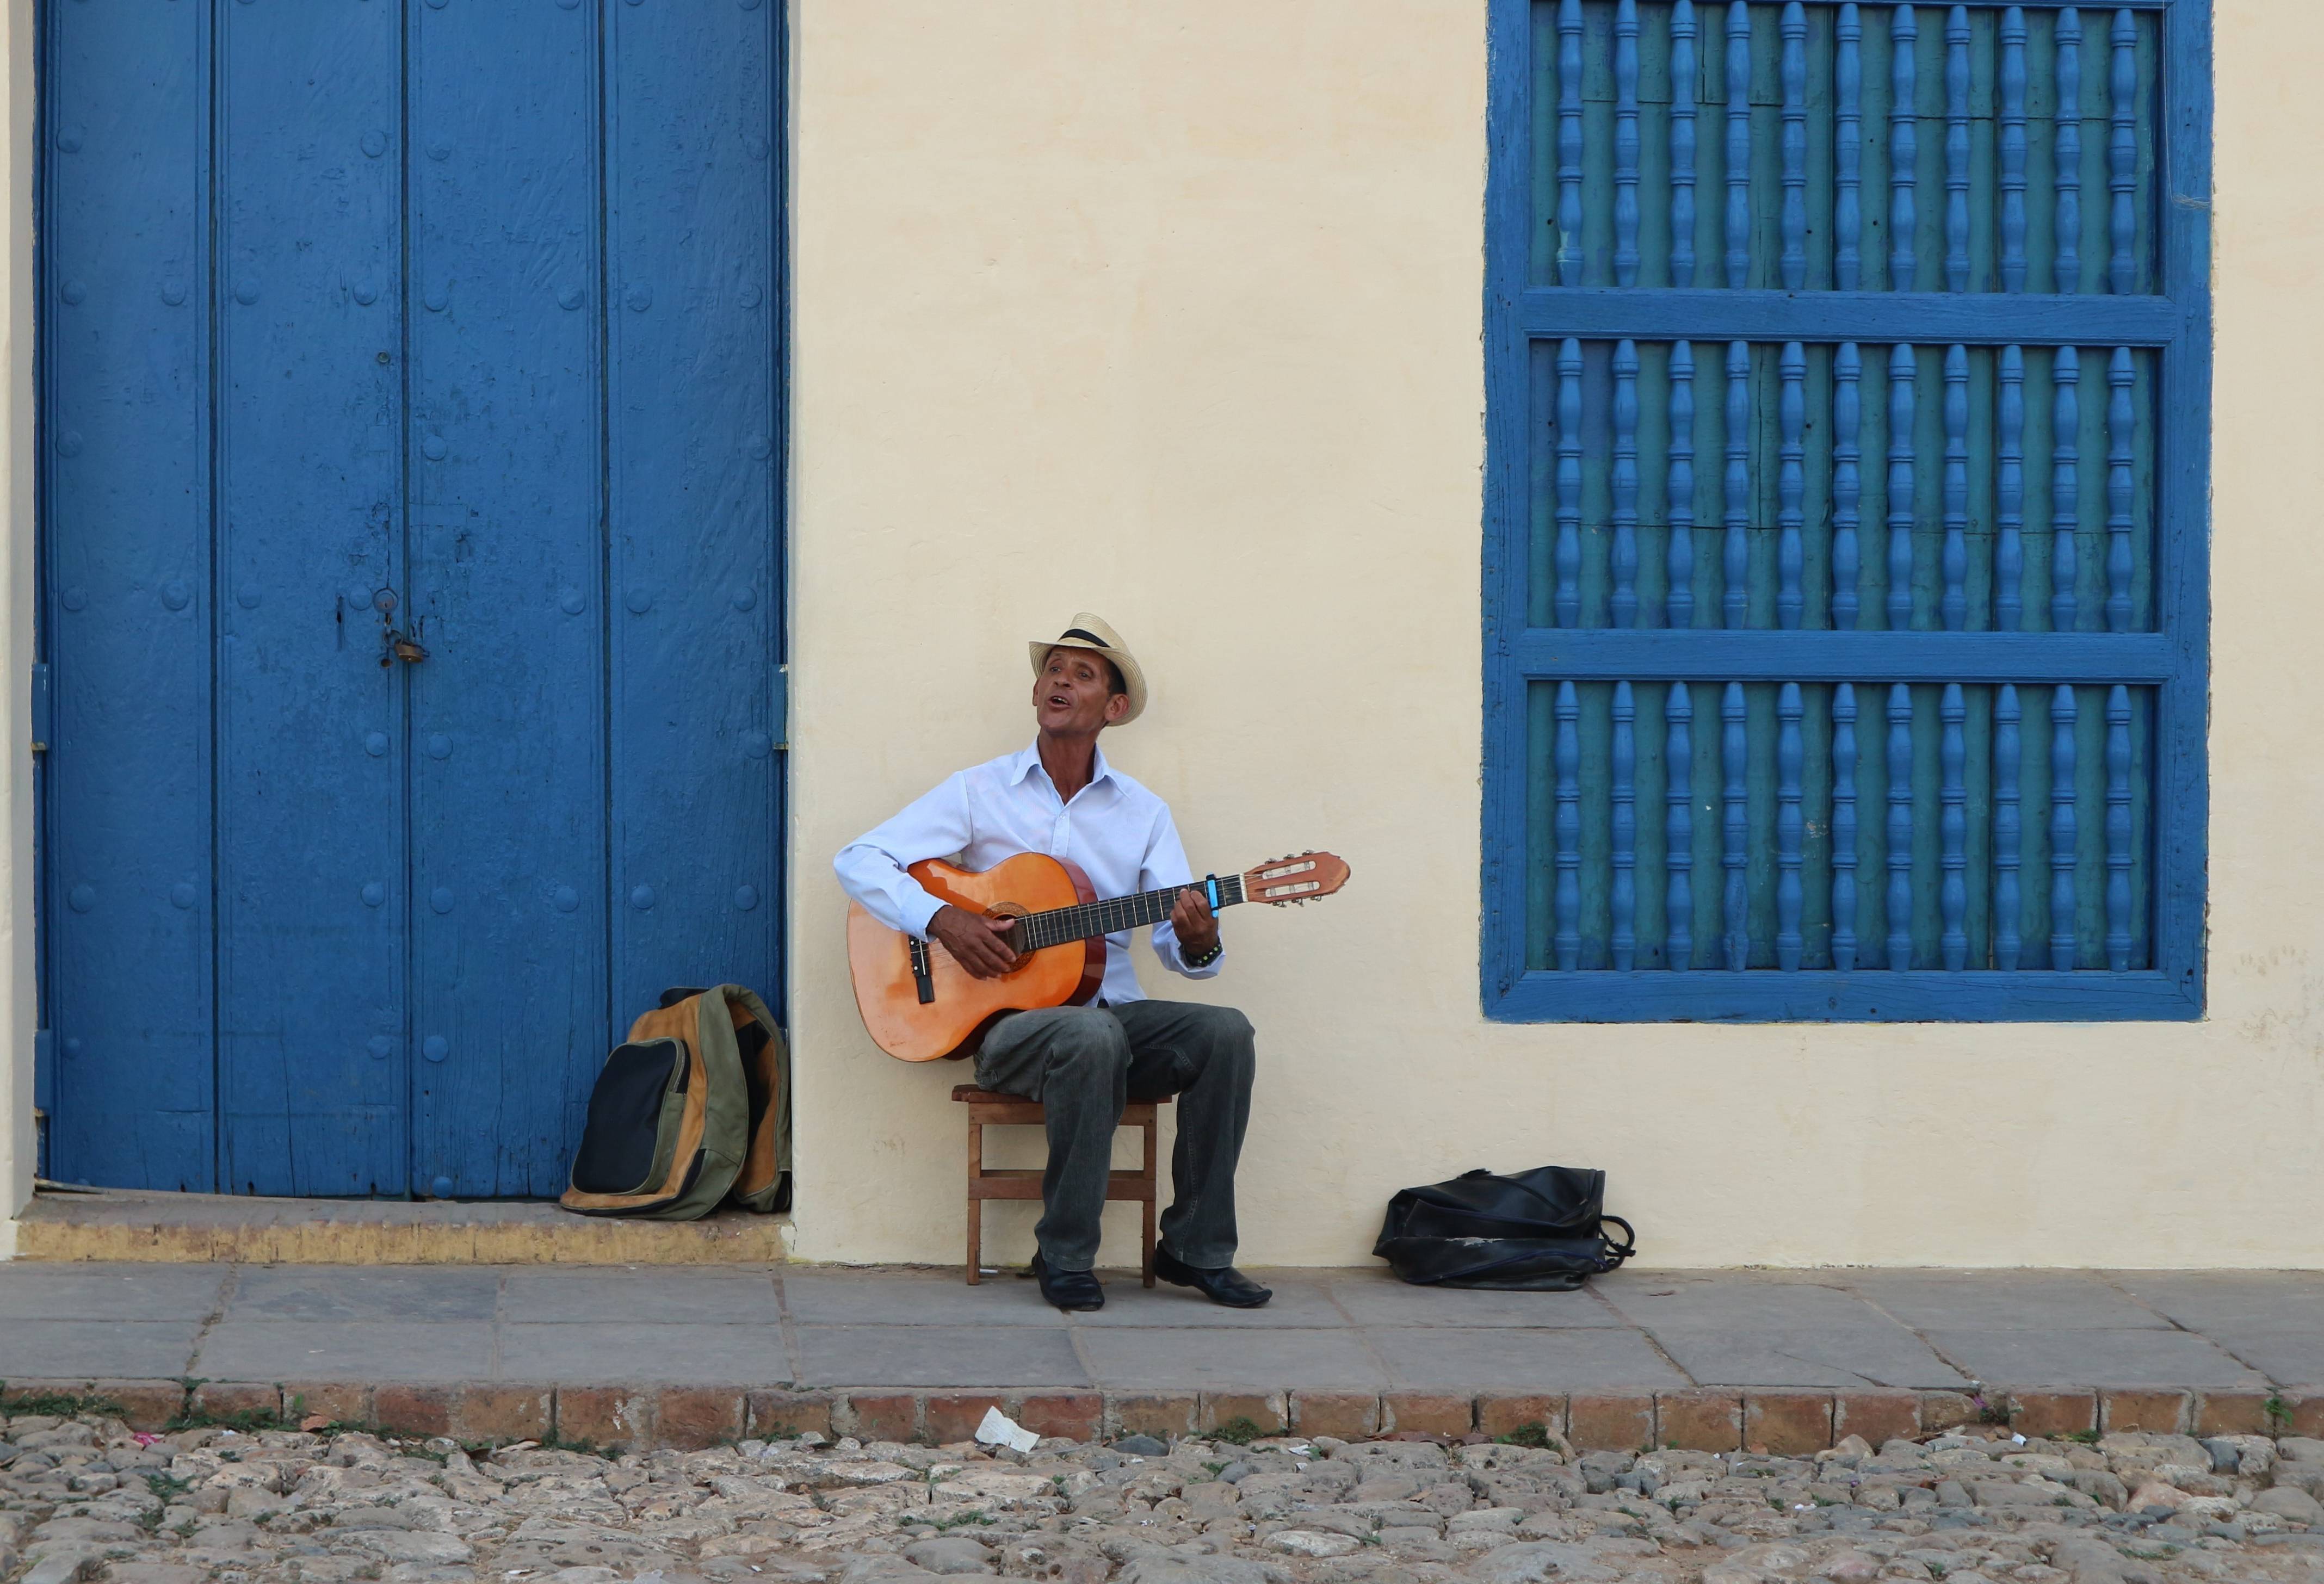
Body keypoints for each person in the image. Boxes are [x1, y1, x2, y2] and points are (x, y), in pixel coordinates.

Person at [833, 614, 1270, 1312]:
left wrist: (1197, 940)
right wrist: (945, 917)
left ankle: (1195, 1248)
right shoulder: (980, 790)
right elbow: (858, 859)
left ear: (1114, 708)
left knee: (1226, 1032)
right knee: (1087, 1033)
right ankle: (1064, 1253)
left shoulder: (1145, 814)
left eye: (1084, 672)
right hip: (1009, 1033)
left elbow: (1173, 942)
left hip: (1113, 1019)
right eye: (1053, 669)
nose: (1061, 679)